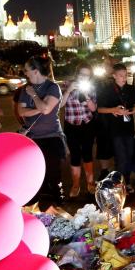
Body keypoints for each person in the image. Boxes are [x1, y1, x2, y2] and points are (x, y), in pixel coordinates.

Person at [17, 56, 66, 208]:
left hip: (51, 136)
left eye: (27, 70)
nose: (25, 73)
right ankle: (37, 206)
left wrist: (33, 97)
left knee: (53, 172)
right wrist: (40, 107)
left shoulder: (52, 87)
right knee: (35, 173)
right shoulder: (26, 88)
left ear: (36, 71)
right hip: (32, 137)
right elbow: (21, 111)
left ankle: (58, 203)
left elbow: (45, 109)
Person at [96, 63, 135, 189]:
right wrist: (113, 110)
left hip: (128, 127)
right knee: (120, 156)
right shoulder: (107, 89)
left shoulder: (130, 89)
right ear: (114, 76)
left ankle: (126, 179)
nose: (124, 78)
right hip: (114, 128)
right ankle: (122, 183)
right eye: (121, 75)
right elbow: (100, 109)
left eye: (125, 75)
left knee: (129, 154)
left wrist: (132, 111)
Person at [60, 62, 98, 199]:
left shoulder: (91, 87)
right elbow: (60, 105)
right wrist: (69, 90)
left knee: (88, 154)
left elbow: (93, 109)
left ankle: (90, 183)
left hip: (87, 124)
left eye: (87, 76)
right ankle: (76, 185)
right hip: (71, 125)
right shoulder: (67, 84)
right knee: (75, 155)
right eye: (82, 74)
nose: (84, 77)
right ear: (77, 74)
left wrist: (86, 96)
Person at [92, 53, 115, 178]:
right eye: (104, 64)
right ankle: (104, 171)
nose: (105, 66)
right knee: (103, 146)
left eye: (108, 64)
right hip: (102, 119)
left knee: (116, 145)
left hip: (115, 118)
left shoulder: (117, 79)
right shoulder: (97, 80)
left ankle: (116, 171)